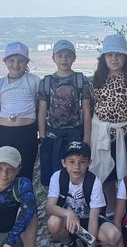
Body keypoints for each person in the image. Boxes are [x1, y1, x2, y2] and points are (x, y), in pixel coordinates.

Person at [45, 141, 120, 247]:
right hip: (68, 222)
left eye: (82, 162)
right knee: (53, 222)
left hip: (87, 221)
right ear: (63, 163)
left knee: (113, 236)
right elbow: (49, 207)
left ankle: (89, 244)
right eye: (71, 161)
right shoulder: (57, 177)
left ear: (89, 163)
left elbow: (93, 221)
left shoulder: (94, 182)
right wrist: (68, 213)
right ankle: (68, 244)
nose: (76, 166)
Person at [89, 34, 127, 208]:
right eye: (109, 55)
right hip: (103, 135)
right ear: (103, 58)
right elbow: (92, 106)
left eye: (118, 54)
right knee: (107, 174)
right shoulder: (97, 80)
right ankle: (111, 208)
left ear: (126, 57)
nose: (114, 58)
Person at [38, 39, 92, 186]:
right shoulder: (46, 82)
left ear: (74, 58)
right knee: (53, 178)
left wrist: (86, 140)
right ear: (53, 58)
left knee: (77, 174)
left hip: (76, 134)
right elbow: (42, 111)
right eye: (60, 55)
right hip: (52, 136)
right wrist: (43, 138)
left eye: (68, 55)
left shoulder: (80, 80)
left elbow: (87, 110)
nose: (64, 59)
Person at [0, 41, 41, 182]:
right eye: (11, 60)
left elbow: (39, 106)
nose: (16, 64)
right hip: (4, 133)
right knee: (5, 169)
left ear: (27, 62)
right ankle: (6, 196)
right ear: (5, 61)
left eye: (20, 60)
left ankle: (25, 195)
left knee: (25, 169)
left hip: (27, 132)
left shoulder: (34, 81)